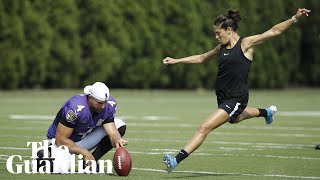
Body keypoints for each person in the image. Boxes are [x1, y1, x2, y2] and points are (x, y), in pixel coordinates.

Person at [162, 8, 311, 172]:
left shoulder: (246, 44)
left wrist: (294, 18)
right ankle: (266, 112)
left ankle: (175, 160)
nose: (216, 37)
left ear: (229, 30)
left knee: (204, 127)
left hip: (236, 98)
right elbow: (201, 58)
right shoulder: (221, 48)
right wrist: (177, 60)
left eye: (218, 33)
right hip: (223, 98)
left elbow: (274, 31)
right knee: (236, 118)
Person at [37, 82, 128, 172]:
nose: (103, 106)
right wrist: (85, 153)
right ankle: (46, 155)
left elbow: (112, 131)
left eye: (105, 102)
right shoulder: (75, 107)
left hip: (82, 138)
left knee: (119, 125)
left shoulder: (109, 105)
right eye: (100, 103)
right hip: (61, 142)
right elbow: (60, 140)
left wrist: (116, 139)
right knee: (61, 168)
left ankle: (89, 163)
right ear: (90, 98)